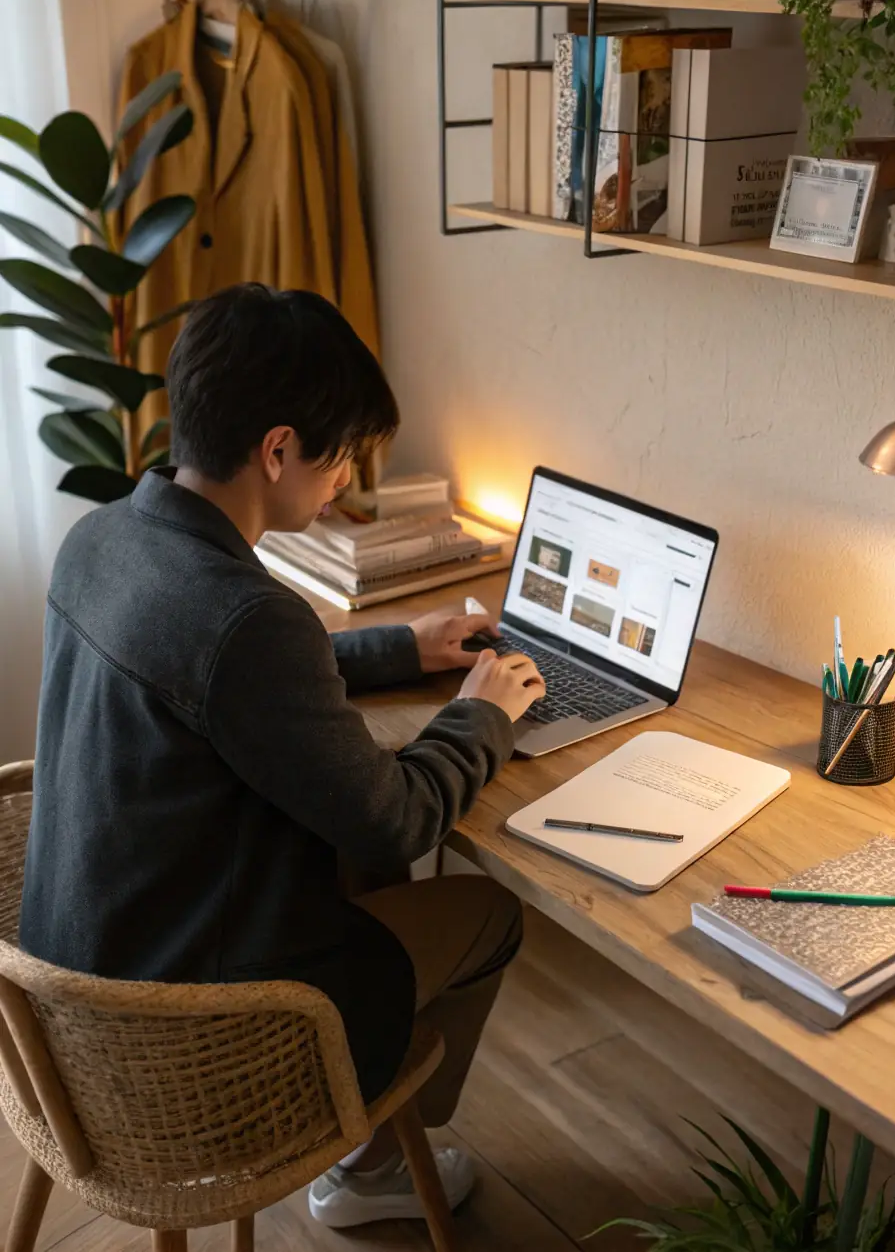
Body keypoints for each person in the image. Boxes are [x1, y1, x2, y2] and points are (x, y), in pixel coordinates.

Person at [20, 283, 546, 1229]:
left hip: (76, 1013)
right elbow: (399, 811)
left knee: (350, 853)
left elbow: (221, 682)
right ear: (277, 450)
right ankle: (368, 1154)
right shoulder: (251, 620)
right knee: (485, 907)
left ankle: (367, 1143)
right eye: (339, 454)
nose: (344, 478)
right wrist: (483, 714)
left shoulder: (102, 537)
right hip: (196, 1044)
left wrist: (402, 647)